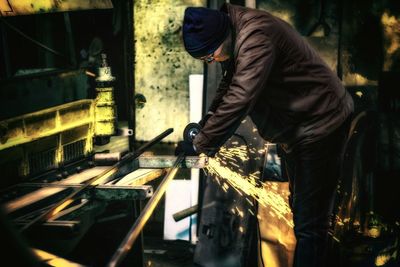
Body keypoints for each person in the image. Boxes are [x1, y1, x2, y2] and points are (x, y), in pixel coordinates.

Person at [176, 3, 353, 267]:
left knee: (310, 225)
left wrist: (202, 143)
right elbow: (229, 86)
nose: (211, 62)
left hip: (321, 124)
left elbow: (240, 97)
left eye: (210, 57)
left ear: (220, 38)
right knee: (303, 211)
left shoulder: (256, 37)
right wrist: (204, 129)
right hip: (300, 129)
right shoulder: (235, 34)